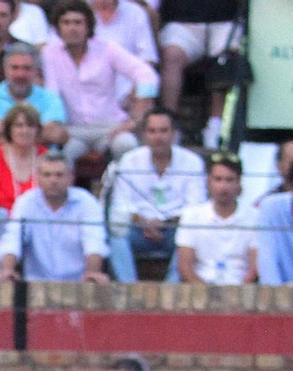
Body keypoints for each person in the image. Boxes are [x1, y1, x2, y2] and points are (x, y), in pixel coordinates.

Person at [40, 0, 156, 161]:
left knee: (126, 144)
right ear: (58, 28)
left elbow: (146, 74)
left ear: (88, 26)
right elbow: (51, 92)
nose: (72, 28)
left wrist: (138, 115)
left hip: (109, 126)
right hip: (72, 129)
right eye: (66, 23)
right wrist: (52, 124)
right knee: (57, 157)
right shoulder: (49, 54)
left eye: (78, 22)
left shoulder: (108, 48)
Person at [106, 107, 201, 283]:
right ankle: (129, 288)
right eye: (152, 131)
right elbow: (121, 205)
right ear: (144, 134)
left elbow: (195, 209)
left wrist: (165, 224)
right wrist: (144, 222)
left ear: (174, 133)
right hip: (137, 228)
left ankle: (170, 291)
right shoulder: (129, 160)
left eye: (164, 131)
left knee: (191, 236)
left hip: (175, 230)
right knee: (115, 235)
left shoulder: (193, 163)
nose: (158, 137)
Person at [0, 151, 106, 282]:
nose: (53, 180)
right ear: (38, 178)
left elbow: (94, 240)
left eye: (59, 175)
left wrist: (93, 272)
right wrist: (7, 269)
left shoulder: (86, 201)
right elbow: (13, 238)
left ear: (71, 177)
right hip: (34, 283)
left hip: (79, 282)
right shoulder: (26, 201)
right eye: (47, 175)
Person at [158, 0, 236, 149]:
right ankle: (169, 124)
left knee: (226, 58)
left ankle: (215, 127)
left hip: (226, 20)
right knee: (171, 56)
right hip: (182, 23)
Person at [176, 154, 256, 287]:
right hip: (199, 289)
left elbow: (254, 268)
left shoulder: (254, 217)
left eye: (229, 180)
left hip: (241, 289)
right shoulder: (191, 216)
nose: (223, 186)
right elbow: (185, 267)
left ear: (239, 183)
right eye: (218, 179)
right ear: (209, 182)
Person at [0, 100, 41, 212]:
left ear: (37, 129)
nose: (24, 131)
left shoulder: (47, 159)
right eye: (19, 125)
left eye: (30, 125)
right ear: (9, 129)